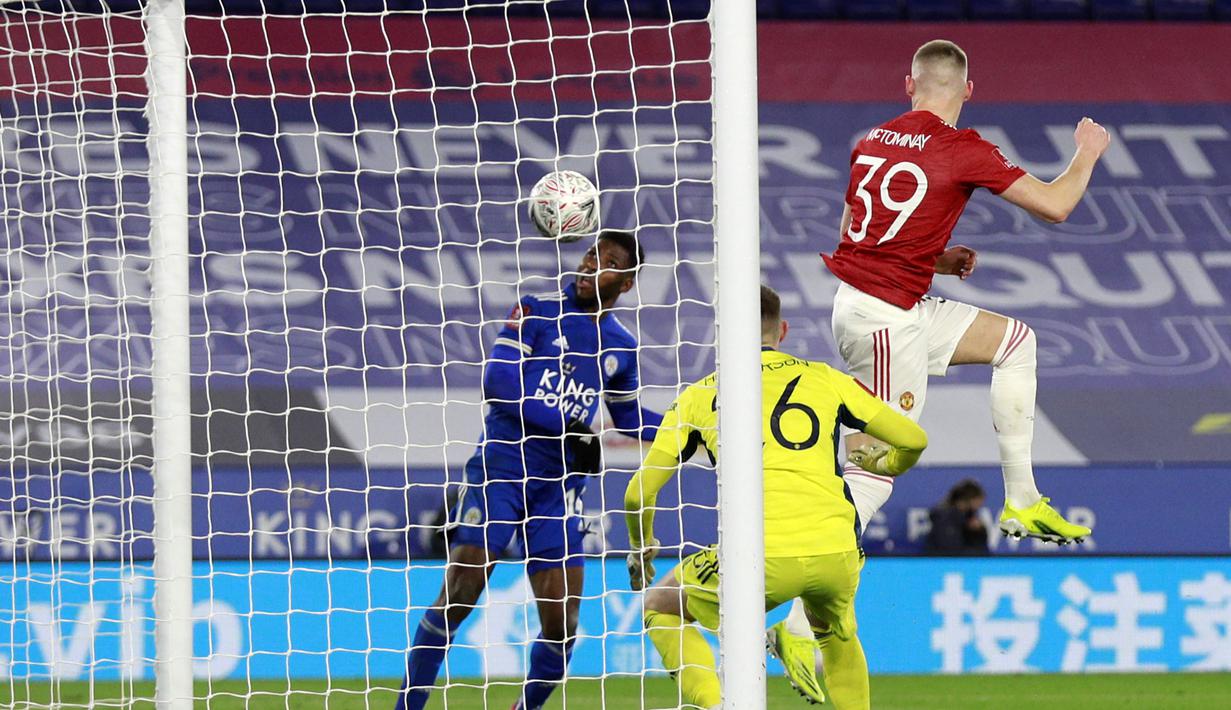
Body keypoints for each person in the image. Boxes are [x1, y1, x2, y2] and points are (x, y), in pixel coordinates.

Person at [822, 38, 1110, 544]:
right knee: (874, 468)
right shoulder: (961, 148)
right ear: (969, 90)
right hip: (885, 319)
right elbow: (1056, 204)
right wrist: (1087, 153)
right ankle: (802, 606)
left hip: (886, 305)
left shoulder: (873, 139)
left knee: (1015, 341)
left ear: (909, 85)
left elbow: (854, 232)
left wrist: (936, 259)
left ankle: (1022, 500)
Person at [624, 285, 928, 709]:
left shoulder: (698, 395)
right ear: (782, 329)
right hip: (836, 550)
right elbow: (914, 439)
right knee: (836, 633)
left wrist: (642, 548)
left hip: (757, 556)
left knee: (661, 603)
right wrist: (884, 465)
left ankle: (715, 705)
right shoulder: (826, 378)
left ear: (723, 331)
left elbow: (638, 493)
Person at [397, 230, 662, 710]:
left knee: (562, 625)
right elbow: (497, 383)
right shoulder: (536, 310)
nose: (589, 264)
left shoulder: (621, 345)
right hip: (501, 469)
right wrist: (570, 428)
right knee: (461, 593)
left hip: (559, 489)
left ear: (625, 284)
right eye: (589, 253)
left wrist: (692, 430)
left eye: (607, 261)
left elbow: (630, 418)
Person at [925, 479, 990, 555]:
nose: (979, 506)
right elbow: (950, 550)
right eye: (978, 502)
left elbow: (982, 548)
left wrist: (979, 531)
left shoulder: (968, 519)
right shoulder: (943, 520)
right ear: (969, 500)